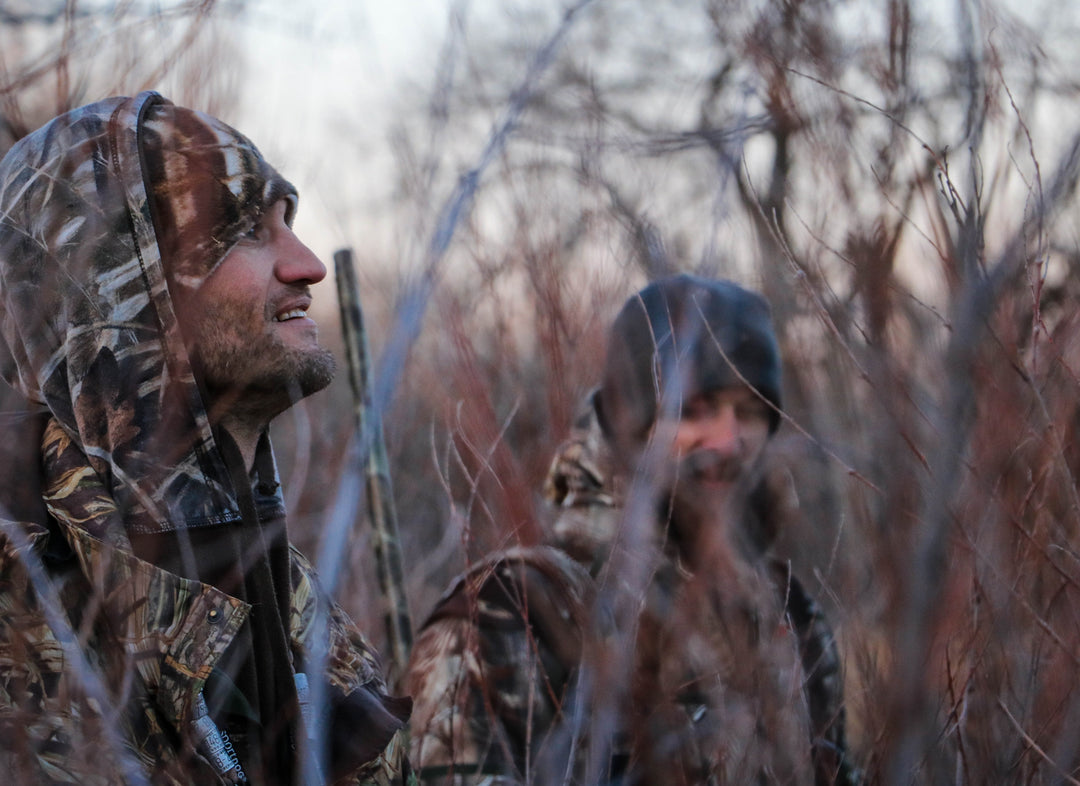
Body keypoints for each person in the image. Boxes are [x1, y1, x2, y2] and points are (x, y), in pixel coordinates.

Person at [0, 92, 411, 785]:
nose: (309, 265)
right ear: (115, 283)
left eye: (290, 221)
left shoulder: (301, 605)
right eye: (248, 229)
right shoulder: (23, 612)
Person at [405, 274, 860, 785]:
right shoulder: (513, 611)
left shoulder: (789, 614)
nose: (729, 440)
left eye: (752, 411)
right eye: (695, 410)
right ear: (631, 424)